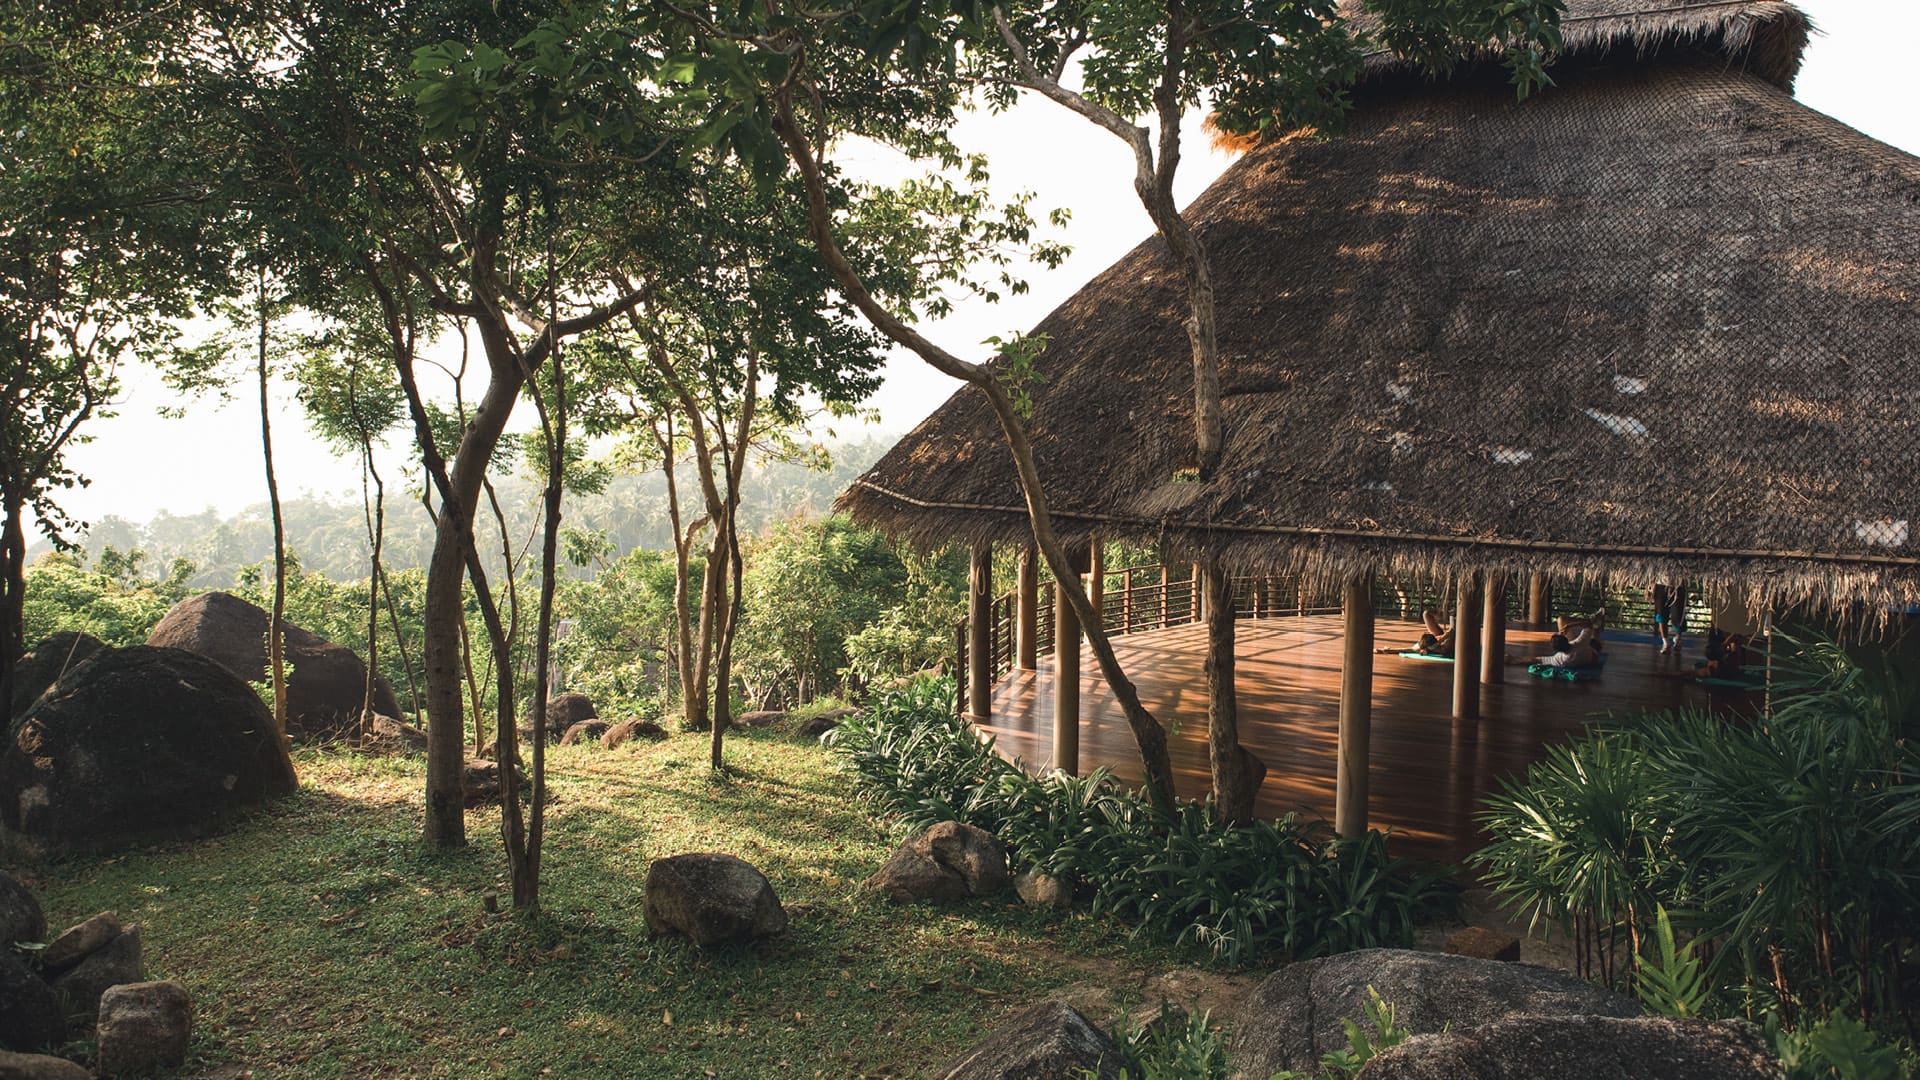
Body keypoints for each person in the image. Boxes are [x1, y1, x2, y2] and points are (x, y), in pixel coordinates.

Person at [1377, 609, 1455, 657]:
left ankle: (1445, 612)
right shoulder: (1446, 647)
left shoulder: (1425, 645)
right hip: (1445, 640)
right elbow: (1452, 630)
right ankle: (1450, 613)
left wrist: (1388, 650)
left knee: (1426, 614)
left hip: (1439, 640)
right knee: (1453, 617)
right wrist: (1443, 638)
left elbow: (1406, 649)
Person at [1506, 632, 1600, 669]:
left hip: (1589, 659)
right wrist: (1567, 627)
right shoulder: (1579, 643)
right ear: (1566, 639)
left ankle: (1511, 660)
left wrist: (1514, 659)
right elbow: (1588, 626)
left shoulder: (1560, 660)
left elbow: (1536, 660)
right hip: (1593, 654)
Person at [1650, 584, 1687, 654]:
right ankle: (1665, 643)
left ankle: (1677, 638)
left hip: (1677, 587)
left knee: (1678, 616)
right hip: (1660, 586)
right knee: (1661, 616)